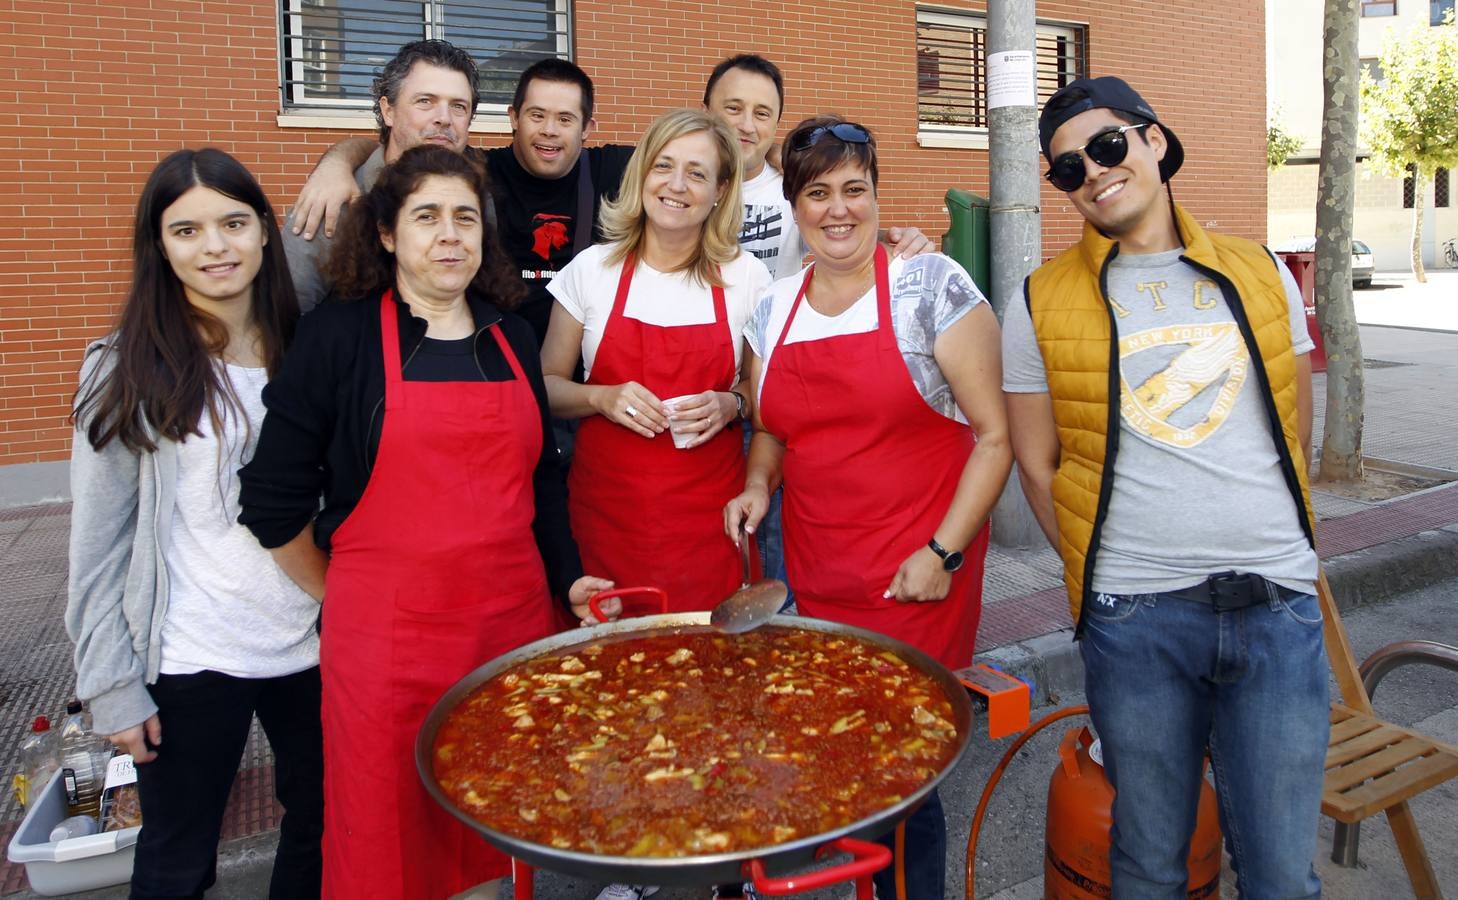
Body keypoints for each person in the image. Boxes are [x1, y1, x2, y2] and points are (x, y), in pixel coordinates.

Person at [238, 145, 612, 900]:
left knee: (495, 828)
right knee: (386, 835)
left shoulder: (510, 336)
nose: (450, 235)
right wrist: (343, 596)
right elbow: (272, 501)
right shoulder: (339, 341)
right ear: (385, 233)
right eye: (428, 217)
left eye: (466, 218)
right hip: (387, 652)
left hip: (505, 634)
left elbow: (540, 479)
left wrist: (567, 577)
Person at [1003, 76, 1326, 898]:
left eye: (1107, 145)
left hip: (1277, 605)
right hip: (1135, 619)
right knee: (1147, 865)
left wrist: (1288, 553)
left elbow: (1295, 426)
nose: (1094, 172)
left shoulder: (1259, 272)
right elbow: (1037, 465)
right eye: (1068, 168)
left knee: (1283, 875)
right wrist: (1103, 574)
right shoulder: (1039, 300)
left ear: (1153, 139)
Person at [724, 116, 1011, 900]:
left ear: (879, 195)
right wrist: (756, 483)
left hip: (914, 579)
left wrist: (943, 554)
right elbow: (772, 430)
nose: (839, 209)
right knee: (845, 756)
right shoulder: (772, 308)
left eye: (856, 189)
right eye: (818, 192)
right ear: (794, 205)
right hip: (817, 576)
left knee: (904, 771)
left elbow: (994, 438)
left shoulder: (935, 287)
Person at [67, 148, 322, 900]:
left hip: (309, 644)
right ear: (160, 246)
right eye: (187, 231)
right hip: (189, 655)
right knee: (179, 855)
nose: (215, 247)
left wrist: (345, 160)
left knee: (317, 826)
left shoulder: (306, 349)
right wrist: (109, 683)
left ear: (267, 233)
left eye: (234, 223)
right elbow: (99, 544)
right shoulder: (127, 368)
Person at [543, 108, 765, 614]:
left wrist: (731, 404)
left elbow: (763, 399)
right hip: (604, 528)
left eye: (698, 173)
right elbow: (545, 386)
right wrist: (599, 396)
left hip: (711, 531)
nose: (677, 185)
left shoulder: (747, 279)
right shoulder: (591, 271)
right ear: (642, 172)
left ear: (720, 191)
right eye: (664, 165)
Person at [287, 49, 633, 342]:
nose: (443, 119)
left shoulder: (475, 184)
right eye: (426, 101)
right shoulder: (334, 202)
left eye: (458, 106)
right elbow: (286, 325)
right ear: (388, 110)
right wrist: (336, 163)